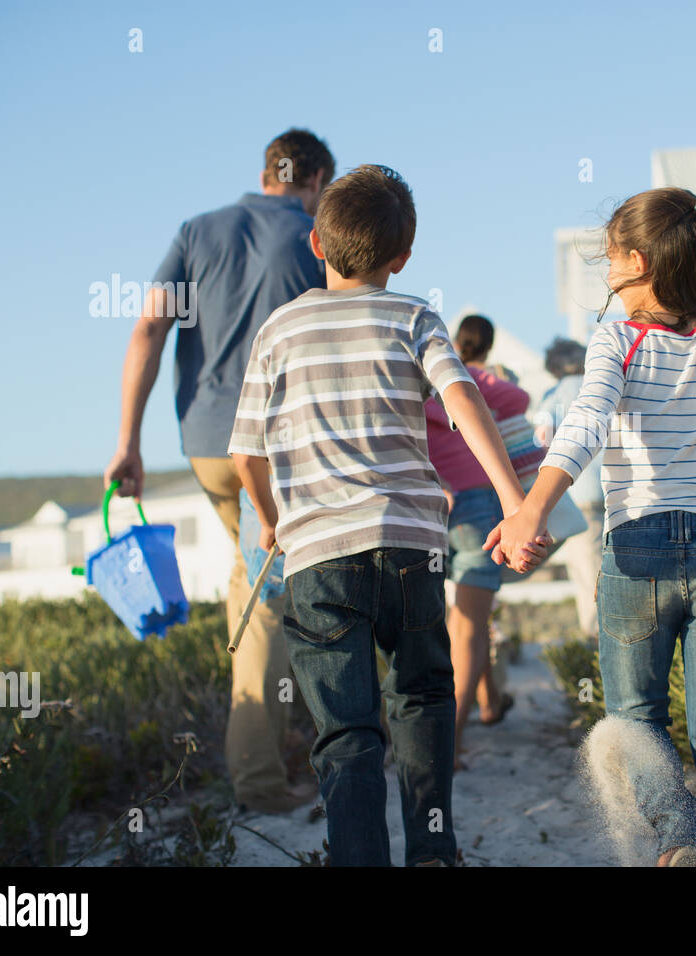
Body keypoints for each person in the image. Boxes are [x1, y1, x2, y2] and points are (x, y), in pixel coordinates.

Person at [229, 165, 546, 867]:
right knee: (425, 699)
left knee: (345, 733)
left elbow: (246, 454)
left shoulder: (280, 329)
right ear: (402, 258)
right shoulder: (414, 317)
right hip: (411, 547)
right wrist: (515, 500)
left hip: (318, 559)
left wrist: (272, 517)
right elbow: (464, 405)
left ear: (316, 243)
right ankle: (432, 848)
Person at [486, 187, 696, 867]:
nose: (605, 274)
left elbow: (586, 424)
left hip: (636, 548)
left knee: (637, 722)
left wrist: (529, 510)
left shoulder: (619, 337)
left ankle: (679, 840)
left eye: (608, 260)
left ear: (637, 261)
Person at [103, 128, 335, 814]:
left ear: (268, 172)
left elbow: (148, 329)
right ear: (316, 178)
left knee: (256, 581)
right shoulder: (315, 237)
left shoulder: (197, 231)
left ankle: (275, 759)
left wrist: (128, 441)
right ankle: (263, 783)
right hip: (282, 444)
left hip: (206, 442)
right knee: (273, 599)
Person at [425, 314, 529, 768]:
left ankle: (474, 706)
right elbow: (520, 398)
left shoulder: (419, 373)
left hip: (423, 501)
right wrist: (490, 378)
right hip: (476, 500)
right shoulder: (472, 378)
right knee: (470, 622)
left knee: (444, 621)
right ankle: (449, 742)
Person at [533, 337, 604, 636]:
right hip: (616, 492)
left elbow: (541, 437)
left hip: (579, 495)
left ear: (553, 367)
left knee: (588, 576)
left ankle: (597, 647)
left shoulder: (556, 393)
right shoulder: (601, 386)